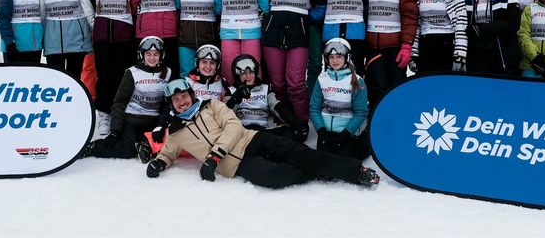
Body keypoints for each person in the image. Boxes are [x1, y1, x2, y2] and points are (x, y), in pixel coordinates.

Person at [145, 78, 380, 188]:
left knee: (297, 152)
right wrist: (158, 163)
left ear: (191, 95)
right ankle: (320, 171)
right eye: (176, 100)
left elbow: (234, 126)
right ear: (172, 105)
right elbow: (168, 152)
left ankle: (355, 171)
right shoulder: (175, 132)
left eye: (184, 96)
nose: (182, 102)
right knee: (273, 177)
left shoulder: (211, 105)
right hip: (235, 165)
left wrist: (214, 156)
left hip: (250, 139)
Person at [257, 0, 320, 122]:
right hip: (273, 36)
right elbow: (264, 2)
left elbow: (320, 4)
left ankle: (300, 119)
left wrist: (306, 19)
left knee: (296, 83)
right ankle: (282, 119)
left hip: (298, 37)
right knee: (277, 83)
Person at [82, 36, 171, 158]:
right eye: (148, 54)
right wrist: (115, 130)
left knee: (155, 148)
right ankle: (93, 148)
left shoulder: (168, 73)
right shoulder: (132, 72)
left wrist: (161, 125)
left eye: (156, 54)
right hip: (131, 119)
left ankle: (142, 144)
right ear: (142, 54)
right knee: (127, 151)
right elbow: (120, 102)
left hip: (152, 121)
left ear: (162, 55)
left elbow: (168, 104)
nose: (152, 58)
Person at [364, 0, 418, 108]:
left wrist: (406, 46)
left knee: (395, 87)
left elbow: (410, 19)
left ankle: (397, 123)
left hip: (395, 48)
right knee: (376, 88)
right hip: (374, 48)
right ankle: (374, 125)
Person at [92, 0, 136, 137]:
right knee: (103, 78)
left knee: (120, 76)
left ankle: (119, 113)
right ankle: (103, 114)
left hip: (123, 36)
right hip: (102, 36)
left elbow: (134, 7)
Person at [310, 38, 370, 161]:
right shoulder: (322, 79)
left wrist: (347, 133)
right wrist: (321, 130)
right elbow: (314, 108)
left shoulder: (356, 81)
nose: (334, 61)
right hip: (325, 134)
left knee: (344, 162)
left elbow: (361, 112)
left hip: (346, 134)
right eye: (331, 57)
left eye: (338, 56)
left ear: (347, 58)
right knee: (324, 165)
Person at [463, 0, 521, 76]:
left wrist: (484, 28)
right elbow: (463, 25)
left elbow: (514, 24)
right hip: (476, 56)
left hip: (501, 55)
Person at [226, 54, 308, 141]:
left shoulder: (265, 89)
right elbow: (222, 114)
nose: (248, 76)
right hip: (241, 132)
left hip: (262, 132)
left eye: (251, 72)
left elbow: (278, 107)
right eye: (244, 73)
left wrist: (296, 122)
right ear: (237, 74)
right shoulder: (232, 91)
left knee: (289, 132)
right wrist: (234, 99)